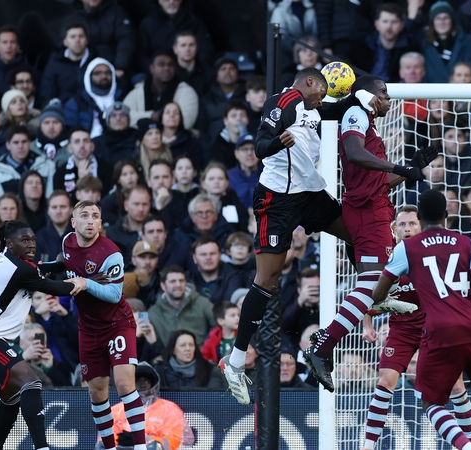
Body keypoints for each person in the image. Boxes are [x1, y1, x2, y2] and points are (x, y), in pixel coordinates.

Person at [217, 68, 379, 405]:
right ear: (309, 83)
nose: (324, 98)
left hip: (310, 195)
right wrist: (279, 141)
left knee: (356, 235)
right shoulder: (285, 100)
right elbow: (261, 145)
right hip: (277, 202)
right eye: (322, 91)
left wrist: (363, 96)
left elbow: (336, 110)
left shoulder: (311, 107)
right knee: (267, 280)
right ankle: (234, 363)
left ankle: (374, 297)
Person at [297, 76, 436, 392]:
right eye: (384, 93)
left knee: (381, 285)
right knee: (374, 283)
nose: (389, 99)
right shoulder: (357, 113)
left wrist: (412, 165)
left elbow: (374, 182)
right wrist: (400, 168)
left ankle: (328, 337)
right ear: (368, 94)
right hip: (367, 215)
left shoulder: (366, 121)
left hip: (375, 210)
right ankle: (323, 345)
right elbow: (355, 152)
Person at [370, 189, 471, 450]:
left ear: (420, 218)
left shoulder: (407, 249)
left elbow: (377, 294)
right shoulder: (467, 242)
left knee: (432, 403)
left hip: (437, 330)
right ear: (447, 215)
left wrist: (389, 298)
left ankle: (468, 447)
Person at [0, 220, 86, 450]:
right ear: (9, 243)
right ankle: (42, 447)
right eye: (24, 240)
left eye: (33, 239)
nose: (31, 244)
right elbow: (56, 288)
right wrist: (86, 282)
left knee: (11, 398)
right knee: (30, 382)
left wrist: (60, 264)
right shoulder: (19, 269)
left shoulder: (5, 259)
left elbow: (39, 268)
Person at [47, 200, 147, 450]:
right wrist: (51, 267)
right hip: (88, 328)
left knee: (124, 384)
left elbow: (114, 295)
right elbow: (66, 259)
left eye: (95, 216)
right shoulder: (67, 241)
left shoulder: (111, 253)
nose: (90, 220)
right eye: (84, 215)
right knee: (97, 393)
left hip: (117, 323)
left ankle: (141, 447)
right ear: (73, 223)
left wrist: (85, 283)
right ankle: (109, 447)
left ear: (100, 223)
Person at [102, 362, 195, 450]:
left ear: (153, 385)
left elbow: (175, 439)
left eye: (146, 381)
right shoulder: (115, 411)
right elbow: (103, 442)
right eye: (138, 381)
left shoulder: (170, 410)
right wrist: (121, 443)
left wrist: (144, 442)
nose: (142, 384)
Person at [123, 51, 199, 130]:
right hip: (144, 140)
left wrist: (159, 118)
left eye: (170, 65)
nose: (166, 68)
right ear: (152, 68)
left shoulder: (186, 92)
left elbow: (186, 122)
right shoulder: (138, 91)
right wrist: (151, 115)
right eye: (161, 64)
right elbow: (124, 118)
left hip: (176, 140)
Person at [350, 3, 421, 83]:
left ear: (402, 25)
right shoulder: (361, 46)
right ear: (377, 24)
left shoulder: (411, 48)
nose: (389, 27)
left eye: (394, 22)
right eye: (385, 21)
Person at [148, 264, 215, 346]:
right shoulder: (154, 313)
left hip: (201, 355)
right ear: (163, 286)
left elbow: (219, 326)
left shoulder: (203, 303)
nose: (178, 285)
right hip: (167, 357)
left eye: (181, 280)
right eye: (173, 281)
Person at [0, 125, 55, 207]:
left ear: (30, 143)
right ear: (8, 145)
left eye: (24, 142)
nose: (20, 146)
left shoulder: (47, 166)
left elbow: (51, 200)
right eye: (16, 142)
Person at [64, 0, 135, 76]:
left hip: (115, 69)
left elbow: (126, 39)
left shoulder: (117, 12)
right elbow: (65, 49)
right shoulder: (73, 18)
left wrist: (120, 66)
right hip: (83, 72)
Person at [63, 57, 122, 138]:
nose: (104, 76)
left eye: (108, 72)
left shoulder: (122, 97)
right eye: (98, 73)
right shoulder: (76, 102)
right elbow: (70, 131)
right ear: (89, 76)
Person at [421, 1, 471, 83]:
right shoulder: (426, 45)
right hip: (435, 93)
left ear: (452, 21)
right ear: (433, 22)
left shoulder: (467, 41)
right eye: (438, 18)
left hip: (461, 91)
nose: (442, 22)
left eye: (446, 18)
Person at [53, 127, 112, 199]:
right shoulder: (60, 174)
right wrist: (81, 180)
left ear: (92, 146)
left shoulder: (107, 169)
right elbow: (63, 203)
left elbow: (106, 200)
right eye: (77, 141)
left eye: (86, 141)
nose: (82, 146)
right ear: (70, 148)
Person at [155, 329, 226, 389]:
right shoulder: (161, 371)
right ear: (173, 350)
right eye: (183, 345)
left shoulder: (208, 370)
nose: (188, 349)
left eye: (191, 345)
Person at [40, 22, 91, 104]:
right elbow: (47, 93)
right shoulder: (54, 64)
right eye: (73, 37)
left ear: (86, 40)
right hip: (63, 112)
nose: (77, 40)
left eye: (81, 36)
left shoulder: (96, 62)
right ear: (65, 42)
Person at [35, 190, 73, 263]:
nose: (58, 211)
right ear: (48, 211)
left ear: (71, 210)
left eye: (63, 207)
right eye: (54, 207)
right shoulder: (39, 239)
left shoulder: (79, 236)